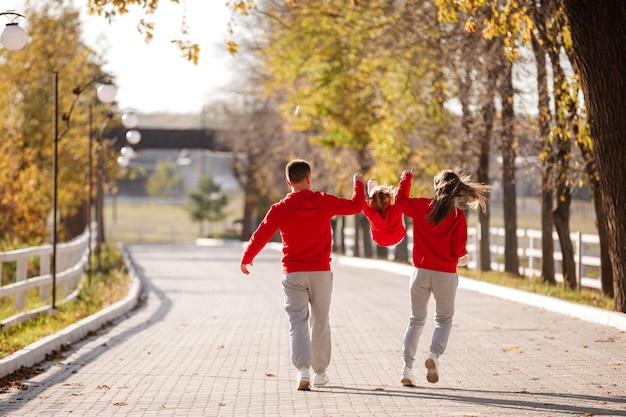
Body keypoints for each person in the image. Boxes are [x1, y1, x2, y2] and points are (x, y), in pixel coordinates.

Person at [240, 159, 365, 391]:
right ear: (309, 178)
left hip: (293, 273)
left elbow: (261, 235)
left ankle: (302, 371)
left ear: (288, 181)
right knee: (320, 322)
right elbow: (356, 206)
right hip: (320, 272)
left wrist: (247, 258)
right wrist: (358, 183)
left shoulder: (279, 209)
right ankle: (320, 373)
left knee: (297, 322)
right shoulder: (325, 201)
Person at [395, 168, 490, 386]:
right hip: (445, 274)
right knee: (444, 320)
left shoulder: (420, 206)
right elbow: (458, 249)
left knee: (415, 320)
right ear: (457, 191)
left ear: (435, 186)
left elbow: (400, 202)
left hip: (420, 272)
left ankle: (406, 369)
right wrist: (463, 258)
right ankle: (434, 355)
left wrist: (406, 178)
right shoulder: (457, 216)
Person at [362, 179, 407, 247]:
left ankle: (372, 193)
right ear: (388, 199)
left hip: (379, 240)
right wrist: (406, 176)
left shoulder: (371, 213)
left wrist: (357, 183)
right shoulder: (395, 210)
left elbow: (361, 203)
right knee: (401, 206)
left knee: (370, 211)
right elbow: (404, 194)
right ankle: (396, 196)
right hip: (398, 238)